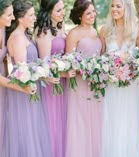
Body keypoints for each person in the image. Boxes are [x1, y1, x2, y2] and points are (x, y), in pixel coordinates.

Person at [2, 0, 52, 157]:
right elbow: (22, 69)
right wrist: (36, 76)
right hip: (23, 89)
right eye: (30, 15)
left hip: (29, 87)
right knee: (26, 132)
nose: (34, 17)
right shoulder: (17, 37)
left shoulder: (23, 35)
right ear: (20, 18)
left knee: (32, 130)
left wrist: (44, 74)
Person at [99, 0, 139, 156]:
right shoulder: (104, 30)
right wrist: (110, 67)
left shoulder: (136, 30)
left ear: (127, 8)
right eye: (112, 6)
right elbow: (101, 56)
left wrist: (129, 64)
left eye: (118, 6)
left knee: (129, 120)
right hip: (111, 84)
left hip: (130, 84)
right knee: (111, 120)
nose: (114, 9)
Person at [65, 0, 103, 157]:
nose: (92, 15)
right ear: (80, 15)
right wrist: (85, 70)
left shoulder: (96, 31)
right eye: (88, 13)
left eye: (93, 12)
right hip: (80, 84)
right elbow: (69, 62)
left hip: (97, 83)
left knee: (96, 119)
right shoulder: (74, 34)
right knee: (81, 119)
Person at [34, 1, 67, 156]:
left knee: (63, 123)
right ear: (49, 11)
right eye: (59, 10)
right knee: (52, 124)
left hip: (63, 81)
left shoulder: (60, 26)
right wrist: (62, 73)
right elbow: (45, 64)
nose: (63, 12)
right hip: (51, 85)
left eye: (63, 9)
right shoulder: (44, 32)